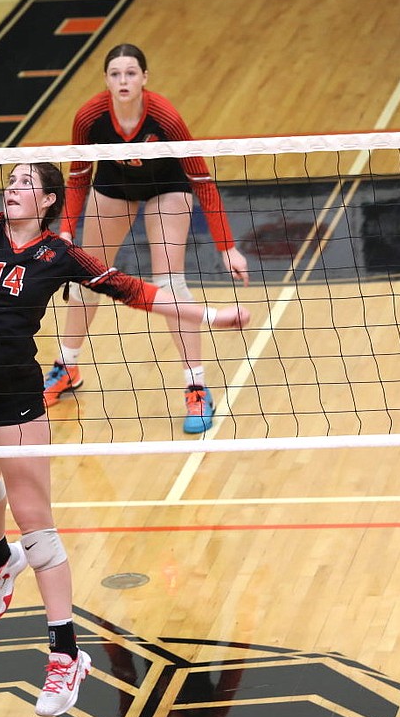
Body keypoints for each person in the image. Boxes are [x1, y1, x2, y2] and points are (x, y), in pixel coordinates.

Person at [0, 78, 250, 716]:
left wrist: (215, 316)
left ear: (49, 199)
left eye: (26, 182)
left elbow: (141, 292)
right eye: (10, 179)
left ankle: (66, 655)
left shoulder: (62, 255)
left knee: (39, 530)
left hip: (15, 399)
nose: (12, 186)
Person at [43, 43, 251, 434]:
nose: (123, 80)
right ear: (106, 80)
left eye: (131, 73)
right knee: (85, 278)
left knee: (170, 283)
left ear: (144, 78)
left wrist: (227, 246)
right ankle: (66, 366)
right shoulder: (90, 117)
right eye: (116, 74)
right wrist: (67, 229)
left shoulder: (165, 117)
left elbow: (202, 179)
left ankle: (196, 387)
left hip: (166, 187)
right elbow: (77, 177)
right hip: (113, 187)